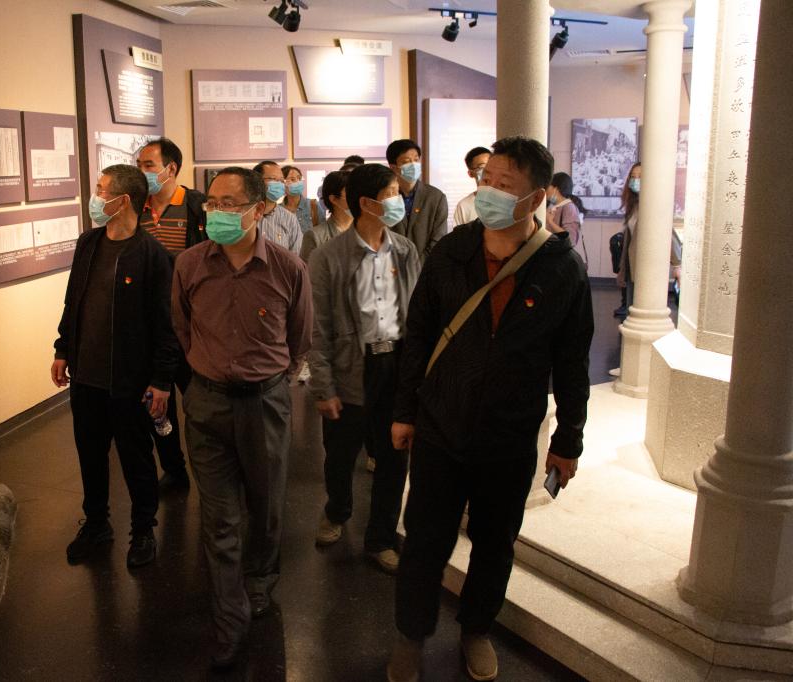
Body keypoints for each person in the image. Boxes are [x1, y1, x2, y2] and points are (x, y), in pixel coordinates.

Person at [386, 137, 593, 682]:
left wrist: (568, 440)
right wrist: (404, 411)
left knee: (495, 544)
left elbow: (572, 363)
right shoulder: (451, 251)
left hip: (509, 434)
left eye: (505, 184)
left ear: (537, 197)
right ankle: (411, 636)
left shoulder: (561, 268)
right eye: (487, 180)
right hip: (440, 425)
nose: (490, 191)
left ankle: (476, 628)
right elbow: (418, 334)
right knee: (425, 541)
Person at [172, 167, 312, 670]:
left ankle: (260, 579)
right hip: (207, 402)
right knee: (219, 516)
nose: (217, 212)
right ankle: (229, 618)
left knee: (266, 503)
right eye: (212, 203)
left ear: (259, 210)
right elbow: (182, 328)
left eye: (230, 204)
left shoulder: (288, 268)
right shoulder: (190, 264)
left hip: (265, 403)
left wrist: (268, 378)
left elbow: (300, 339)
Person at [51, 164, 180, 569]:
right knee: (90, 456)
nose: (95, 196)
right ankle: (96, 524)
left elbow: (166, 326)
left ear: (123, 201)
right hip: (86, 378)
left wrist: (161, 380)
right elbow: (73, 301)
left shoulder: (152, 256)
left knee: (136, 460)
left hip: (130, 381)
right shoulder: (88, 243)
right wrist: (62, 349)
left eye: (101, 190)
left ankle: (143, 530)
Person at [307, 163, 420, 574]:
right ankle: (337, 511)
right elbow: (318, 327)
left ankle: (381, 538)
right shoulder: (328, 256)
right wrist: (324, 386)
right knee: (340, 454)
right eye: (392, 193)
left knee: (394, 457)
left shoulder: (405, 250)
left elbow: (418, 319)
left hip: (395, 365)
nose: (399, 199)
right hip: (350, 366)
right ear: (368, 203)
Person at [136, 137, 206, 492]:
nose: (142, 172)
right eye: (139, 166)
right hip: (151, 327)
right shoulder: (136, 207)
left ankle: (210, 471)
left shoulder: (196, 207)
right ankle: (174, 470)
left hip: (192, 326)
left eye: (148, 165)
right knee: (157, 405)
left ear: (171, 168)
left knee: (200, 405)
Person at [386, 138, 449, 262]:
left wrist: (416, 266)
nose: (413, 165)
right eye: (406, 162)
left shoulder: (436, 197)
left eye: (416, 160)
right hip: (391, 267)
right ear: (393, 167)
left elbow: (438, 240)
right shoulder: (386, 197)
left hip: (426, 268)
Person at [299, 169, 352, 263]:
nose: (357, 197)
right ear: (334, 199)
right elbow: (307, 270)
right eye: (351, 192)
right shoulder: (315, 236)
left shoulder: (365, 232)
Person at [252, 160, 303, 254]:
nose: (279, 184)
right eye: (274, 179)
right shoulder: (245, 215)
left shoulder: (289, 219)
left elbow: (295, 257)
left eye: (281, 180)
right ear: (257, 181)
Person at [546, 171, 589, 267]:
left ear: (556, 188)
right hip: (553, 259)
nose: (546, 189)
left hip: (563, 263)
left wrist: (550, 222)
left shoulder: (569, 207)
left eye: (548, 186)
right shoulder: (553, 206)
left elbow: (571, 239)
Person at [616, 162, 641, 318]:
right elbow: (628, 241)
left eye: (640, 177)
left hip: (645, 267)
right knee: (632, 311)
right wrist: (622, 269)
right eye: (633, 176)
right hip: (632, 265)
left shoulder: (654, 206)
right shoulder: (633, 205)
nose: (635, 180)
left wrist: (677, 264)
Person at [452, 146, 491, 227]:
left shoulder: (508, 199)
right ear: (470, 173)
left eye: (491, 165)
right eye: (482, 167)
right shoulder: (464, 206)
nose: (489, 170)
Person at [281, 164, 323, 233]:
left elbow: (323, 232)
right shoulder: (278, 209)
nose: (298, 182)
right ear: (283, 183)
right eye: (292, 179)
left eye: (299, 178)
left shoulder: (313, 205)